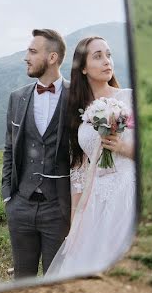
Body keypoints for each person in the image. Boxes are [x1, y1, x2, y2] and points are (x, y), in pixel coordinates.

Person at [45, 36, 137, 279]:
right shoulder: (77, 112)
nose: (107, 61)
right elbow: (78, 172)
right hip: (95, 201)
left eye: (109, 54)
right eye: (98, 56)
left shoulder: (127, 98)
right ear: (83, 67)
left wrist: (121, 147)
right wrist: (76, 223)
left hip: (126, 194)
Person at [1, 29, 72, 278]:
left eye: (32, 51)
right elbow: (9, 148)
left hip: (59, 208)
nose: (26, 57)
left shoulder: (77, 97)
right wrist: (7, 197)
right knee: (22, 278)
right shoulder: (17, 98)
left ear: (52, 57)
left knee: (56, 280)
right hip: (20, 205)